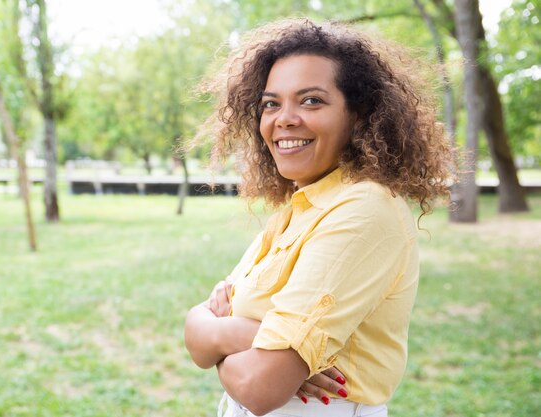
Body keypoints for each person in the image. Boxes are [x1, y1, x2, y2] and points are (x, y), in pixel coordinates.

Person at [184, 18, 453, 417]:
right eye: (271, 103)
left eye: (311, 100)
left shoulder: (364, 210)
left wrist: (221, 338)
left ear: (358, 115)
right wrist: (244, 336)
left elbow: (261, 386)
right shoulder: (301, 209)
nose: (284, 119)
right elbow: (196, 333)